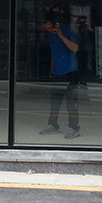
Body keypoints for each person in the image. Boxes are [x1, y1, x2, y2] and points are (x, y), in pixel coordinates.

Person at [39, 11, 81, 139]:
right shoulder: (50, 36)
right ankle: (53, 125)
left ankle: (74, 128)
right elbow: (54, 52)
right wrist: (52, 69)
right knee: (55, 102)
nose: (45, 28)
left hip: (70, 71)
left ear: (54, 24)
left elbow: (75, 48)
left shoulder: (67, 30)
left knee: (71, 102)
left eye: (47, 25)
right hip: (57, 72)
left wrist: (61, 35)